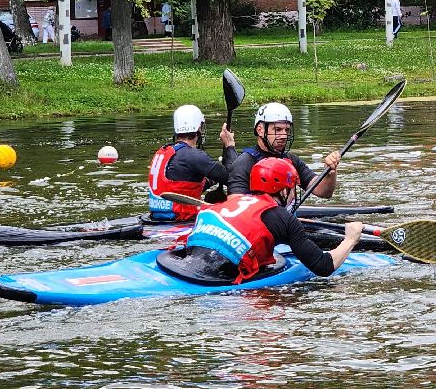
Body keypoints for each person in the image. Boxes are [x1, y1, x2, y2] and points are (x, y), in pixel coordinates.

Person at [179, 158, 365, 283]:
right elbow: (324, 266)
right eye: (292, 189)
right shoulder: (284, 218)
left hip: (185, 258)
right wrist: (350, 239)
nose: (293, 195)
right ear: (283, 191)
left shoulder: (233, 201)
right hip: (211, 277)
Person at [227, 102, 341, 201]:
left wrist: (330, 173)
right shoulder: (243, 163)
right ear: (260, 130)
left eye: (286, 130)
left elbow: (323, 192)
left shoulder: (291, 160)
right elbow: (235, 204)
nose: (284, 136)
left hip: (285, 218)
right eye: (278, 129)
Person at [147, 105, 237, 222]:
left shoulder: (163, 152)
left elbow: (182, 186)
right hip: (181, 219)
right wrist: (230, 145)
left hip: (156, 217)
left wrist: (213, 179)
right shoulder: (194, 155)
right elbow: (234, 178)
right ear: (198, 128)